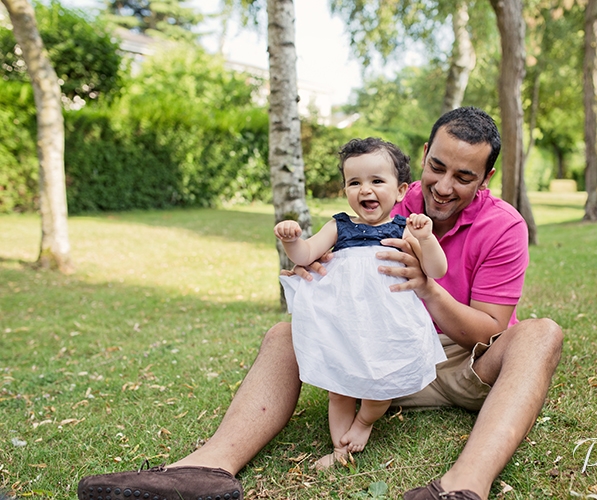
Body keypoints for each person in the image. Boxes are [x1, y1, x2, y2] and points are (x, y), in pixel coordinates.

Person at [78, 107, 563, 500]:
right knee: (283, 333)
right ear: (423, 156)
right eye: (437, 167)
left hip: (461, 364)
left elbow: (488, 332)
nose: (442, 186)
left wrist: (429, 288)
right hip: (375, 353)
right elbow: (336, 256)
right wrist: (315, 270)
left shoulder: (504, 226)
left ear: (487, 176)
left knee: (543, 334)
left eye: (464, 176)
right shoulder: (385, 195)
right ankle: (206, 468)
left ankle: (460, 489)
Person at [274, 137, 447, 469]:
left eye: (377, 181)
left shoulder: (405, 228)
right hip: (345, 324)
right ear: (346, 190)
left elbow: (436, 270)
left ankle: (365, 421)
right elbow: (306, 254)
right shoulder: (339, 226)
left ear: (400, 190)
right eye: (355, 182)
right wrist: (292, 240)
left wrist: (426, 238)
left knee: (382, 384)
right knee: (339, 387)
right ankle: (340, 450)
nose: (365, 190)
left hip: (388, 324)